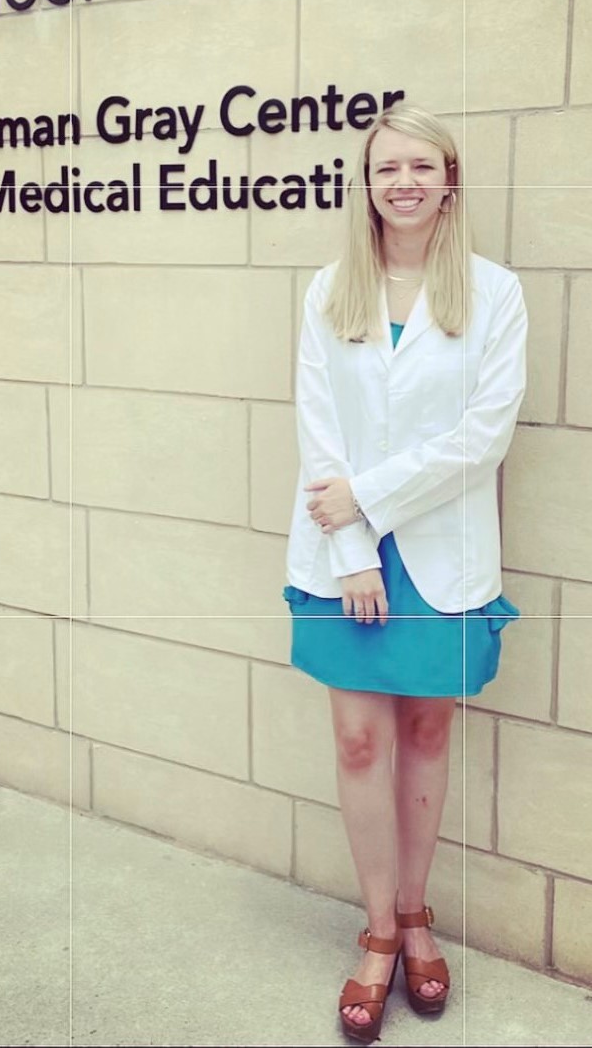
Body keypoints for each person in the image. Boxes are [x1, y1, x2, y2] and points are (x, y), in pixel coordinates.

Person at [282, 102, 527, 1044]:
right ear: (369, 183)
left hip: (439, 551)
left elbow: (484, 436)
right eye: (388, 168)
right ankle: (379, 930)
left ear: (448, 179)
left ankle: (418, 912)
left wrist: (367, 500)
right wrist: (349, 549)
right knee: (357, 744)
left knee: (426, 732)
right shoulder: (327, 290)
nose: (405, 182)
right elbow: (317, 429)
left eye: (422, 165)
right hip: (341, 551)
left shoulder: (493, 293)